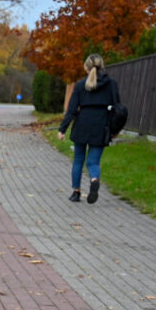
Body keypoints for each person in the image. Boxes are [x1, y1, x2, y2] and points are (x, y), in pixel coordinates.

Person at [57, 53, 121, 204]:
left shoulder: (80, 85)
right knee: (93, 162)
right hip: (101, 125)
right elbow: (118, 107)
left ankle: (76, 192)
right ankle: (94, 179)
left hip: (82, 124)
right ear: (102, 66)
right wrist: (115, 129)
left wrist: (62, 129)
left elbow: (72, 109)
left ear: (86, 67)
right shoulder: (111, 83)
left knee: (78, 159)